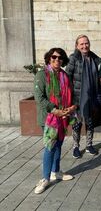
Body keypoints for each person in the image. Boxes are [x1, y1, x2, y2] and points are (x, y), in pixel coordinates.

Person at [34, 48, 75, 194]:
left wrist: (72, 106)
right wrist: (54, 110)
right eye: (54, 57)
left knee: (58, 144)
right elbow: (39, 97)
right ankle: (45, 178)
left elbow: (72, 93)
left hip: (63, 117)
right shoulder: (41, 75)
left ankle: (56, 171)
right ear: (49, 59)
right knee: (50, 147)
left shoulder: (64, 75)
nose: (57, 60)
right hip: (49, 118)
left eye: (60, 58)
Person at [65, 34, 101, 158]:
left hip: (91, 96)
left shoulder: (94, 58)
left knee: (90, 122)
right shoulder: (73, 58)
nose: (84, 46)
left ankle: (89, 145)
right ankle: (76, 146)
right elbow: (67, 77)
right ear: (77, 46)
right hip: (77, 96)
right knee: (77, 122)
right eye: (82, 44)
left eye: (86, 43)